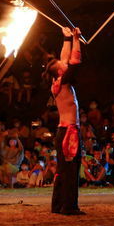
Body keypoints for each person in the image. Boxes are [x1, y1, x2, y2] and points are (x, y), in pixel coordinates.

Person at [45, 27, 84, 215]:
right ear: (60, 69)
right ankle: (69, 206)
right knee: (70, 170)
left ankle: (58, 205)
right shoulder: (64, 80)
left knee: (63, 169)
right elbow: (75, 60)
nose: (64, 62)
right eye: (62, 64)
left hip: (64, 130)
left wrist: (66, 38)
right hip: (69, 132)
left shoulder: (57, 81)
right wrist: (76, 39)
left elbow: (65, 57)